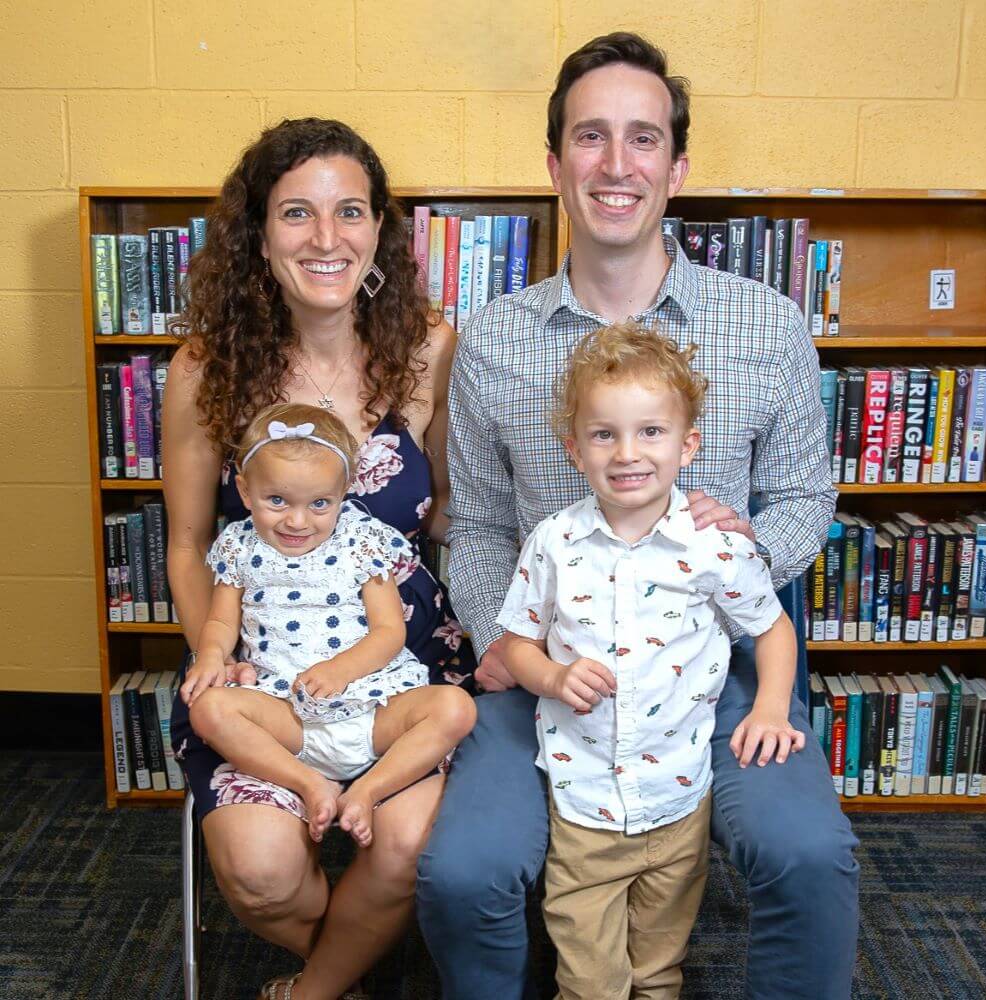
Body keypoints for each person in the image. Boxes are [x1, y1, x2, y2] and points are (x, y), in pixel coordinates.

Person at [417, 31, 859, 1000]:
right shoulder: (493, 340)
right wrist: (507, 642)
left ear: (676, 165)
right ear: (553, 163)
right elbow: (481, 524)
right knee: (460, 873)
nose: (616, 165)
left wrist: (739, 552)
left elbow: (801, 496)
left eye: (642, 139)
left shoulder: (764, 323)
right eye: (590, 137)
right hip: (548, 666)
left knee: (810, 856)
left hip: (717, 660)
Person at [164, 118, 475, 1000]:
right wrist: (221, 664)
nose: (327, 238)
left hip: (398, 669)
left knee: (411, 848)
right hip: (261, 676)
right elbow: (189, 544)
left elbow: (448, 512)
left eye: (351, 212)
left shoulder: (428, 349)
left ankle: (316, 989)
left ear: (380, 229)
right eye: (297, 213)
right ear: (258, 236)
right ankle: (359, 963)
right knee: (261, 873)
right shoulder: (204, 370)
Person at [498, 321, 804, 999]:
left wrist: (772, 707)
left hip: (678, 797)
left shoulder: (714, 545)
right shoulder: (555, 541)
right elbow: (515, 643)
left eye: (651, 432)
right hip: (585, 804)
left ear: (687, 444)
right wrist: (551, 675)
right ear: (576, 450)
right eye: (604, 434)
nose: (627, 452)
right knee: (589, 978)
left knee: (660, 970)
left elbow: (773, 628)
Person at [180, 402, 475, 847]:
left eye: (319, 503)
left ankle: (366, 793)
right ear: (244, 491)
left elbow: (389, 632)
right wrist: (210, 656)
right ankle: (307, 783)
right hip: (285, 713)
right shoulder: (238, 546)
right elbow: (221, 619)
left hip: (371, 708)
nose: (297, 521)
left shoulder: (362, 541)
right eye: (276, 500)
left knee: (456, 708)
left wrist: (341, 671)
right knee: (209, 710)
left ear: (344, 492)